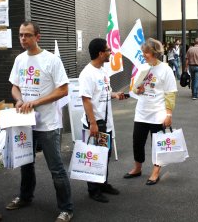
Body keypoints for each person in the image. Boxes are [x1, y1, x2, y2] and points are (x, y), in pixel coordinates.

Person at [7, 21, 73, 222]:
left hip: (48, 123)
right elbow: (14, 86)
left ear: (38, 36)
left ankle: (66, 208)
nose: (23, 39)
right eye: (20, 35)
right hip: (25, 121)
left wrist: (36, 102)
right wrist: (19, 100)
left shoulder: (51, 60)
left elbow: (63, 90)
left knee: (56, 167)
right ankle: (26, 197)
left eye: (27, 35)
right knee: (26, 162)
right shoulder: (19, 59)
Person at [78, 38, 126, 203]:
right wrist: (92, 123)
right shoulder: (87, 74)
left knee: (105, 155)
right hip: (95, 124)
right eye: (108, 50)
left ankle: (103, 183)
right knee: (94, 157)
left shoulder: (104, 71)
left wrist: (115, 95)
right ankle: (93, 190)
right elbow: (86, 100)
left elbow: (105, 92)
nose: (110, 52)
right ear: (100, 53)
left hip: (107, 123)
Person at [124, 38, 177, 185]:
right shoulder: (142, 67)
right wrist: (138, 89)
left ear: (154, 52)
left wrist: (169, 114)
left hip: (158, 113)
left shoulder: (165, 69)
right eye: (143, 52)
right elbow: (134, 88)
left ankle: (155, 171)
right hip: (141, 112)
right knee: (137, 142)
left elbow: (170, 93)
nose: (144, 55)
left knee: (157, 144)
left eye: (146, 52)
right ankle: (137, 168)